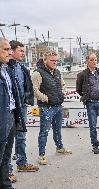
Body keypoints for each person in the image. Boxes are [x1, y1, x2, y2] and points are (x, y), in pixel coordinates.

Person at [32, 50, 72, 165]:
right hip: (46, 107)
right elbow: (35, 90)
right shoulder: (37, 73)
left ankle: (59, 147)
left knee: (58, 129)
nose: (55, 62)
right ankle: (41, 155)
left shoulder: (57, 72)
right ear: (45, 60)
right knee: (44, 132)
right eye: (52, 60)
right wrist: (46, 98)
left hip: (58, 106)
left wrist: (63, 92)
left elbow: (62, 84)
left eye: (56, 60)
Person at [7, 41, 39, 180]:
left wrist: (26, 99)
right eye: (20, 50)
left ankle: (22, 162)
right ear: (12, 51)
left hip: (21, 107)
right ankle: (7, 171)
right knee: (7, 139)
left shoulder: (21, 67)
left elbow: (26, 86)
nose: (23, 53)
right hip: (9, 109)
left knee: (21, 136)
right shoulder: (5, 67)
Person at [0, 37, 26, 189]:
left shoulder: (7, 69)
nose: (10, 52)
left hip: (10, 116)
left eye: (10, 49)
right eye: (5, 49)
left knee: (6, 157)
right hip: (2, 120)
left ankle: (5, 184)